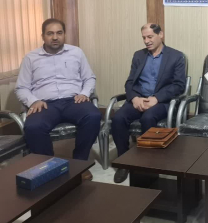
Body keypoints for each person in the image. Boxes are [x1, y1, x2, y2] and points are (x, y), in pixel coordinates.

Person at [15, 18, 101, 180]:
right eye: (50, 33)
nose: (55, 37)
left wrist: (84, 93)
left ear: (64, 35)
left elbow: (89, 78)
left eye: (59, 33)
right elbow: (22, 87)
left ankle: (80, 164)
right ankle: (50, 167)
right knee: (33, 126)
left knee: (93, 116)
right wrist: (33, 101)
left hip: (74, 101)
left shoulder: (76, 53)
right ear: (43, 36)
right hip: (45, 104)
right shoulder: (30, 58)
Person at [112, 23, 186, 183]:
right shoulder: (139, 55)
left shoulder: (176, 56)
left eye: (150, 37)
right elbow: (130, 82)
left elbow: (179, 85)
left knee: (148, 118)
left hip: (160, 101)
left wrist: (156, 98)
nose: (146, 41)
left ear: (161, 35)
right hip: (139, 98)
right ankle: (123, 162)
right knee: (118, 118)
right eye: (144, 38)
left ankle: (149, 164)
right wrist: (134, 98)